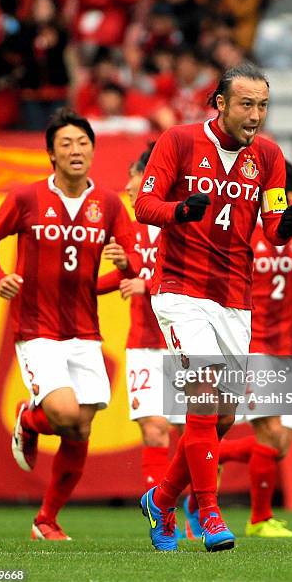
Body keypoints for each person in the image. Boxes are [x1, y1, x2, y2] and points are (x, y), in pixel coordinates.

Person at [134, 62, 292, 552]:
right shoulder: (179, 141)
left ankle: (161, 500)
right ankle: (207, 512)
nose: (255, 115)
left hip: (235, 295)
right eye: (246, 104)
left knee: (224, 416)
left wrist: (286, 225)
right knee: (203, 398)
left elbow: (272, 225)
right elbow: (145, 206)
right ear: (221, 103)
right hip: (180, 289)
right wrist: (178, 211)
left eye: (263, 105)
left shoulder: (269, 156)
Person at [0, 107, 139, 540]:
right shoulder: (26, 198)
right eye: (65, 144)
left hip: (85, 331)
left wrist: (126, 265)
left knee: (80, 428)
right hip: (36, 329)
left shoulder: (106, 204)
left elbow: (137, 261)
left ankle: (46, 520)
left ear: (93, 150)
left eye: (82, 143)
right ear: (51, 154)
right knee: (64, 412)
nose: (75, 150)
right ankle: (30, 419)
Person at [183, 160, 292, 539]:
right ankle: (259, 519)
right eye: (279, 196)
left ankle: (210, 458)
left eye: (288, 196)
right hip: (254, 340)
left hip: (288, 345)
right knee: (270, 432)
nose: (283, 204)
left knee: (279, 445)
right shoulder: (245, 228)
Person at [97, 143, 185, 492]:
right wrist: (79, 287)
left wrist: (144, 284)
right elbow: (126, 276)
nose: (130, 187)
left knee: (193, 431)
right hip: (145, 344)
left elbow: (189, 277)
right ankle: (159, 517)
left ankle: (197, 512)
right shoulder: (130, 230)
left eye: (135, 177)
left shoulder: (180, 227)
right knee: (153, 427)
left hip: (182, 341)